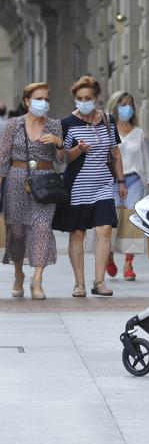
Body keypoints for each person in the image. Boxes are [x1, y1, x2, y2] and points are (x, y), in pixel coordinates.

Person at [54, 75, 127, 297]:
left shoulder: (107, 120)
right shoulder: (67, 123)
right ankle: (79, 284)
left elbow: (115, 153)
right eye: (79, 98)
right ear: (75, 98)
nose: (84, 101)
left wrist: (121, 181)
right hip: (77, 186)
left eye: (88, 97)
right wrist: (79, 150)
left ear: (95, 98)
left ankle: (99, 281)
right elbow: (63, 158)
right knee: (78, 234)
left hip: (103, 183)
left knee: (104, 230)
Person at [0, 82, 64, 299]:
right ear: (27, 101)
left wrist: (59, 143)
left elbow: (60, 160)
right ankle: (19, 274)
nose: (43, 103)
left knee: (42, 228)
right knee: (16, 232)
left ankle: (37, 280)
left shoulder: (54, 125)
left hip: (45, 183)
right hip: (17, 181)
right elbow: (3, 157)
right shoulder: (13, 125)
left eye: (46, 99)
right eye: (39, 99)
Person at [104, 91, 149, 281]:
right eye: (124, 104)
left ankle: (128, 263)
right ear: (115, 106)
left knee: (131, 222)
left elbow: (146, 159)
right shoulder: (108, 130)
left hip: (134, 180)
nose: (128, 108)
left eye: (130, 104)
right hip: (111, 180)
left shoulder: (138, 132)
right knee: (111, 220)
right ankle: (108, 255)